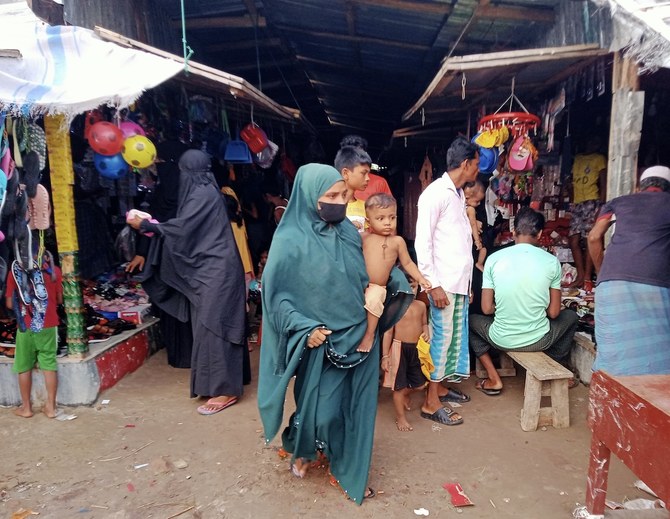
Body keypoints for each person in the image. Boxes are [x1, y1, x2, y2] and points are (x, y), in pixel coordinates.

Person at [257, 163, 412, 504]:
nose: (340, 202)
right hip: (321, 340)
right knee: (320, 411)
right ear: (309, 197)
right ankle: (302, 444)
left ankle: (347, 468)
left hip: (360, 335)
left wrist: (396, 283)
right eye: (330, 196)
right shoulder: (289, 239)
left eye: (343, 194)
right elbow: (277, 297)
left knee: (356, 409)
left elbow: (369, 271)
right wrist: (304, 327)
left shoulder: (346, 231)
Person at [128, 149, 247, 416]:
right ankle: (213, 383)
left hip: (217, 272)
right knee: (205, 327)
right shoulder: (201, 193)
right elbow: (188, 229)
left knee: (216, 326)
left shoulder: (203, 194)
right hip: (210, 271)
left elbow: (183, 230)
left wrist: (149, 227)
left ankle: (226, 389)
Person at [469, 207, 578, 393]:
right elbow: (553, 313)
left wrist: (507, 307)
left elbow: (486, 309)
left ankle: (493, 377)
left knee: (469, 321)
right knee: (571, 317)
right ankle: (555, 366)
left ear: (513, 232)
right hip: (539, 340)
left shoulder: (493, 259)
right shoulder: (551, 261)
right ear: (540, 233)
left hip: (500, 338)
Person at [415, 136, 479, 426]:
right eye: (476, 164)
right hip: (443, 285)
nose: (478, 170)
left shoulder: (457, 193)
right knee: (441, 342)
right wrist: (432, 285)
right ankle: (430, 403)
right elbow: (423, 244)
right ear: (465, 164)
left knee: (453, 341)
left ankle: (439, 388)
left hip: (457, 284)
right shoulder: (435, 194)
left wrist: (466, 286)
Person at [587, 165, 670, 375]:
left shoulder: (617, 203)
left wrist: (602, 272)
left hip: (611, 283)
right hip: (656, 282)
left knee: (613, 348)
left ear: (638, 187)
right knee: (659, 346)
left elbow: (594, 237)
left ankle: (611, 401)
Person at [126, 139, 193, 369]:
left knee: (176, 304)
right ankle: (189, 354)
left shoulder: (169, 193)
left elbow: (154, 224)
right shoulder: (189, 195)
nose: (158, 166)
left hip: (168, 258)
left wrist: (144, 249)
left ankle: (180, 354)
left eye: (162, 161)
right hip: (183, 260)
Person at [360, 193, 430, 353]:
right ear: (368, 221)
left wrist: (421, 278)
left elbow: (407, 263)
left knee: (374, 299)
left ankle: (369, 335)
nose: (387, 223)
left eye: (392, 218)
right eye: (381, 218)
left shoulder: (397, 242)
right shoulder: (363, 238)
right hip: (359, 285)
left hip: (378, 287)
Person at [6, 254, 63, 418]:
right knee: (49, 364)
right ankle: (51, 407)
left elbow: (10, 304)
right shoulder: (55, 271)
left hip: (25, 324)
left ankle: (26, 408)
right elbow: (59, 299)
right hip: (48, 323)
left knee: (24, 366)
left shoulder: (15, 272)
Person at [381, 280, 430, 432]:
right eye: (407, 286)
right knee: (398, 387)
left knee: (421, 384)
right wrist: (385, 356)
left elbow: (424, 323)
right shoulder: (395, 307)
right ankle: (400, 417)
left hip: (416, 348)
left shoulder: (421, 306)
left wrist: (426, 331)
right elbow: (388, 332)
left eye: (414, 286)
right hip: (399, 348)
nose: (411, 290)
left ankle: (404, 395)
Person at [568, 136, 607, 290]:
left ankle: (586, 279)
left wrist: (601, 208)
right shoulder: (577, 159)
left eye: (596, 141)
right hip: (578, 203)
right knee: (573, 241)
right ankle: (581, 275)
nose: (593, 143)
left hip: (592, 201)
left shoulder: (600, 159)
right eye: (591, 141)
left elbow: (604, 185)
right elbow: (572, 182)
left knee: (590, 239)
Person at [334, 145, 371, 232]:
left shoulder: (365, 206)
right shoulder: (331, 205)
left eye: (368, 174)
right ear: (345, 173)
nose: (368, 178)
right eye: (363, 173)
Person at [464, 180, 487, 272]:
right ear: (467, 197)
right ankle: (480, 263)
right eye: (477, 201)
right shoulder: (471, 210)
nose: (479, 204)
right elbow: (473, 225)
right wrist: (477, 240)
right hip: (473, 236)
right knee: (484, 248)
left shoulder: (460, 207)